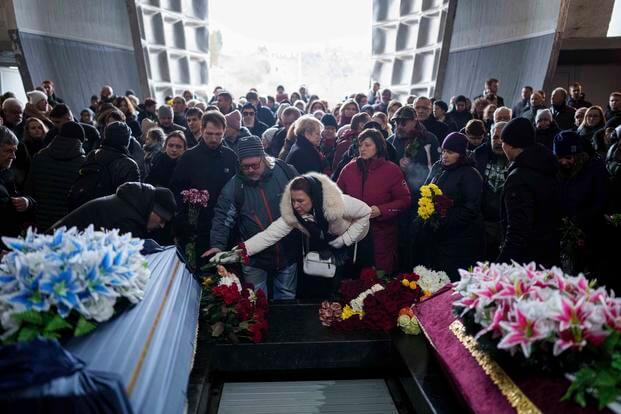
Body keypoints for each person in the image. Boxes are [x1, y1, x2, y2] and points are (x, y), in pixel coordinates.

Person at [237, 173, 371, 299]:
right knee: (320, 285)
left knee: (343, 287)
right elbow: (270, 234)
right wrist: (241, 251)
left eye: (300, 201)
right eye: (293, 200)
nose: (296, 205)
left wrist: (346, 239)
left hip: (354, 238)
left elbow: (366, 211)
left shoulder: (337, 202)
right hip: (325, 243)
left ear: (313, 197)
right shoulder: (294, 213)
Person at [204, 136, 300, 299]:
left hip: (286, 252)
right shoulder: (234, 187)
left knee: (286, 299)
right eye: (245, 166)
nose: (250, 170)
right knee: (255, 303)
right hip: (253, 258)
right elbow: (223, 218)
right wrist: (217, 245)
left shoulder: (284, 171)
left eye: (255, 165)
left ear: (264, 159)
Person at [337, 129, 411, 273]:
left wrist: (381, 210)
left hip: (381, 234)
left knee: (379, 279)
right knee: (352, 278)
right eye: (360, 145)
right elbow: (336, 196)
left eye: (367, 145)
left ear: (378, 146)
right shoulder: (349, 169)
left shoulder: (392, 170)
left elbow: (404, 200)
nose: (362, 148)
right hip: (353, 234)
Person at [170, 110, 238, 264]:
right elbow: (176, 190)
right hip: (196, 229)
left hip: (226, 227)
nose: (214, 139)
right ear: (201, 130)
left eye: (218, 134)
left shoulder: (230, 157)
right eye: (209, 134)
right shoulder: (188, 157)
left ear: (224, 132)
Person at [414, 132, 484, 280]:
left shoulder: (470, 174)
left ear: (461, 154)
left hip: (457, 239)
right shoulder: (438, 167)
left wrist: (444, 220)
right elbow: (426, 189)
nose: (445, 156)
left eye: (450, 152)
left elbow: (470, 208)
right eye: (444, 151)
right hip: (435, 236)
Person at [497, 118, 560, 267]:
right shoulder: (547, 166)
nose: (502, 147)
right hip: (549, 253)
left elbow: (518, 230)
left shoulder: (518, 178)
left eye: (503, 142)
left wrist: (500, 266)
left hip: (526, 262)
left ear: (510, 144)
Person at [554, 130, 608, 276]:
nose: (564, 162)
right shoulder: (557, 171)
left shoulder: (595, 168)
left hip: (591, 232)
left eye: (568, 157)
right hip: (565, 234)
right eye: (560, 158)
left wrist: (581, 221)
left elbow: (601, 200)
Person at [52, 182, 175, 239]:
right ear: (152, 210)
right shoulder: (128, 219)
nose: (162, 225)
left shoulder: (131, 205)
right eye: (162, 219)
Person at [25, 121, 86, 230]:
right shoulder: (83, 163)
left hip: (39, 219)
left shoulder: (40, 156)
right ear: (80, 140)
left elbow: (29, 188)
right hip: (67, 222)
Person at [67, 122, 140, 210]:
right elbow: (132, 200)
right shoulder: (129, 164)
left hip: (83, 210)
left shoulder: (92, 155)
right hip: (109, 216)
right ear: (126, 140)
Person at [474, 121, 509, 261]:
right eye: (495, 137)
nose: (499, 142)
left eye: (503, 138)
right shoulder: (479, 154)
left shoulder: (517, 157)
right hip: (482, 221)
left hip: (505, 223)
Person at [0, 126, 35, 250]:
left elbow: (15, 197)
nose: (14, 157)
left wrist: (27, 202)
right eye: (8, 151)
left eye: (14, 151)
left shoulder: (5, 173)